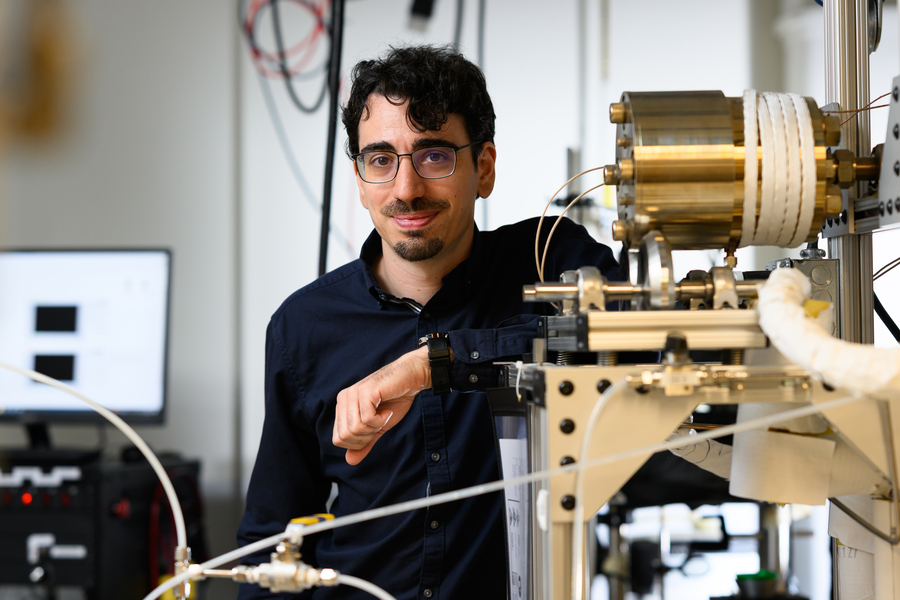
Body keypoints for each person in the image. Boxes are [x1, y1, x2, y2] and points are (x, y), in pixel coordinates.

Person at [237, 44, 619, 600]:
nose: (406, 188)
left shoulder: (548, 260)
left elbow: (638, 339)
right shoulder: (303, 326)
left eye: (434, 156)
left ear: (483, 168)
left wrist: (430, 365)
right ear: (361, 177)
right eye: (381, 159)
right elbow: (271, 535)